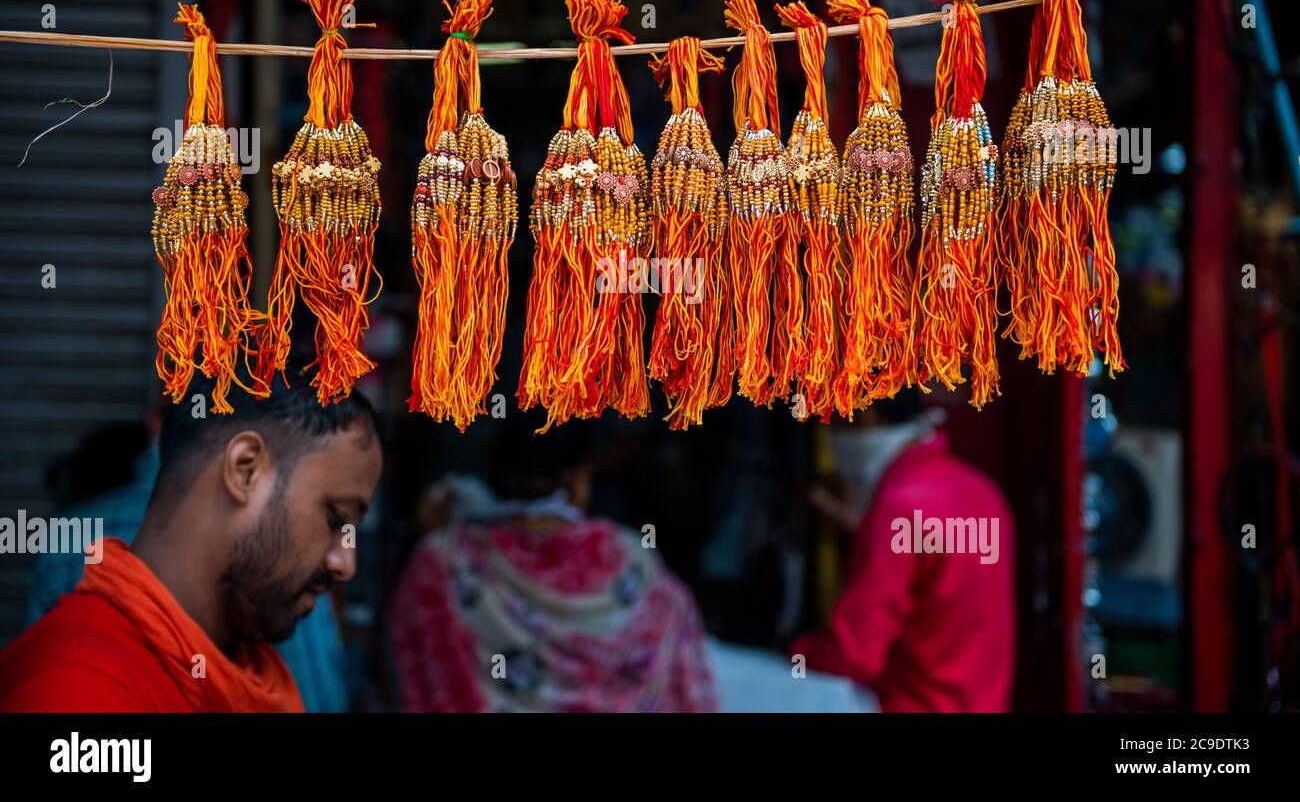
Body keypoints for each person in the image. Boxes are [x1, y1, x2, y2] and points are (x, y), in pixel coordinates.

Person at [0, 365, 382, 712]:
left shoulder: (246, 670)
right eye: (336, 518)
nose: (344, 564)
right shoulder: (79, 691)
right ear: (245, 471)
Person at [387, 422, 718, 712]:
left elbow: (405, 665)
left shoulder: (442, 558)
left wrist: (431, 534)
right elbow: (678, 664)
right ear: (577, 482)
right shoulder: (634, 561)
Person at [791, 390, 1016, 712]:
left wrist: (795, 655)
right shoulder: (983, 494)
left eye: (833, 416)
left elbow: (854, 656)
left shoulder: (899, 508)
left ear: (866, 413)